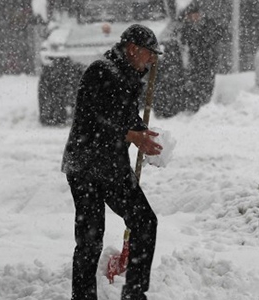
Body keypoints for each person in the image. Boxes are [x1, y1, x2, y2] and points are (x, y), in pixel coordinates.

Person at [61, 24, 163, 300]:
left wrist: (144, 133)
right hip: (87, 165)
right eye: (149, 53)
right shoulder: (101, 72)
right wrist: (132, 134)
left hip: (110, 165)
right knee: (91, 239)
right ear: (132, 49)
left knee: (143, 222)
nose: (152, 59)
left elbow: (125, 116)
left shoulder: (127, 76)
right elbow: (100, 118)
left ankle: (133, 293)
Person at [178, 2, 225, 112]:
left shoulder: (209, 24)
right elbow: (184, 42)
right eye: (191, 15)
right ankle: (196, 107)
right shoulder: (187, 28)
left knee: (207, 83)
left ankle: (205, 105)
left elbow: (216, 36)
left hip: (208, 60)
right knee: (195, 83)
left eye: (195, 14)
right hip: (194, 61)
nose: (194, 17)